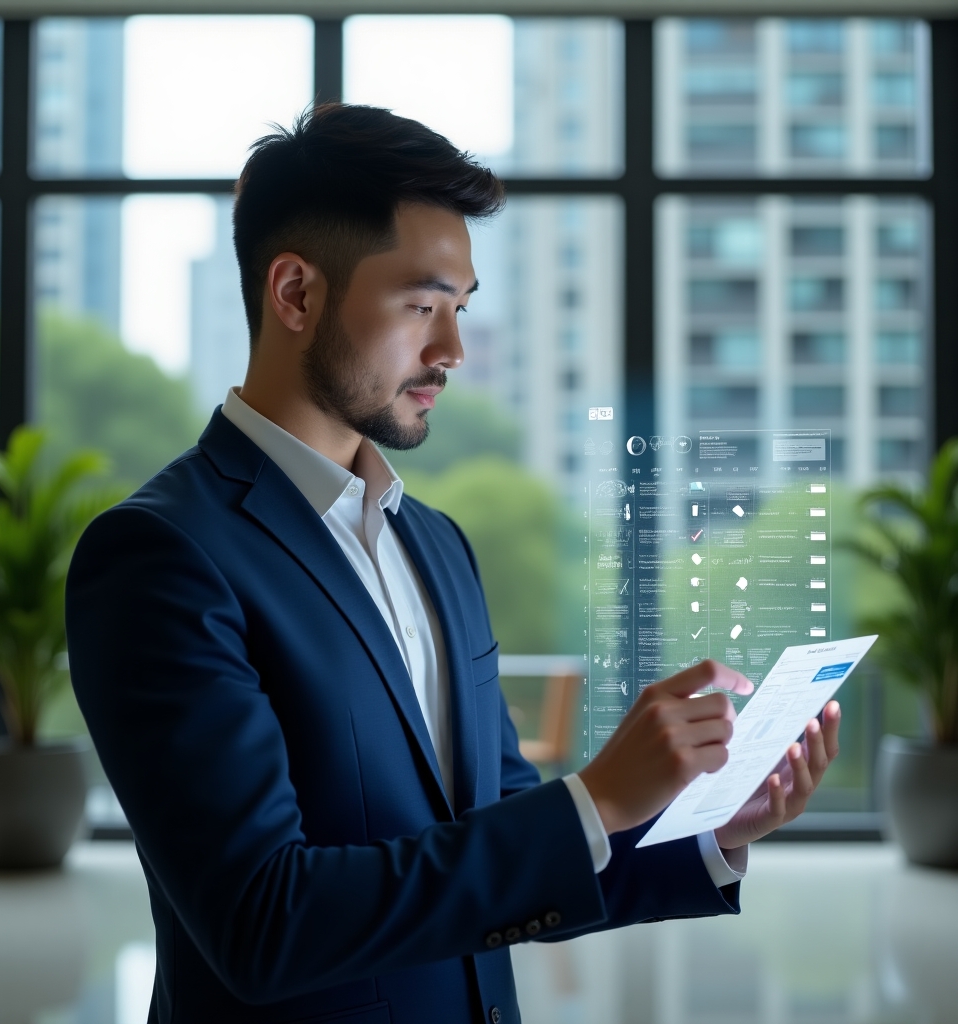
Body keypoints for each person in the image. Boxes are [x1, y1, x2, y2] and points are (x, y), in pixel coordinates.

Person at [66, 104, 841, 1024]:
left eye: (462, 308)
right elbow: (261, 920)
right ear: (296, 294)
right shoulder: (162, 555)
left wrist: (706, 833)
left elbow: (493, 828)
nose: (454, 351)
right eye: (421, 304)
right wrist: (593, 799)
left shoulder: (435, 543)